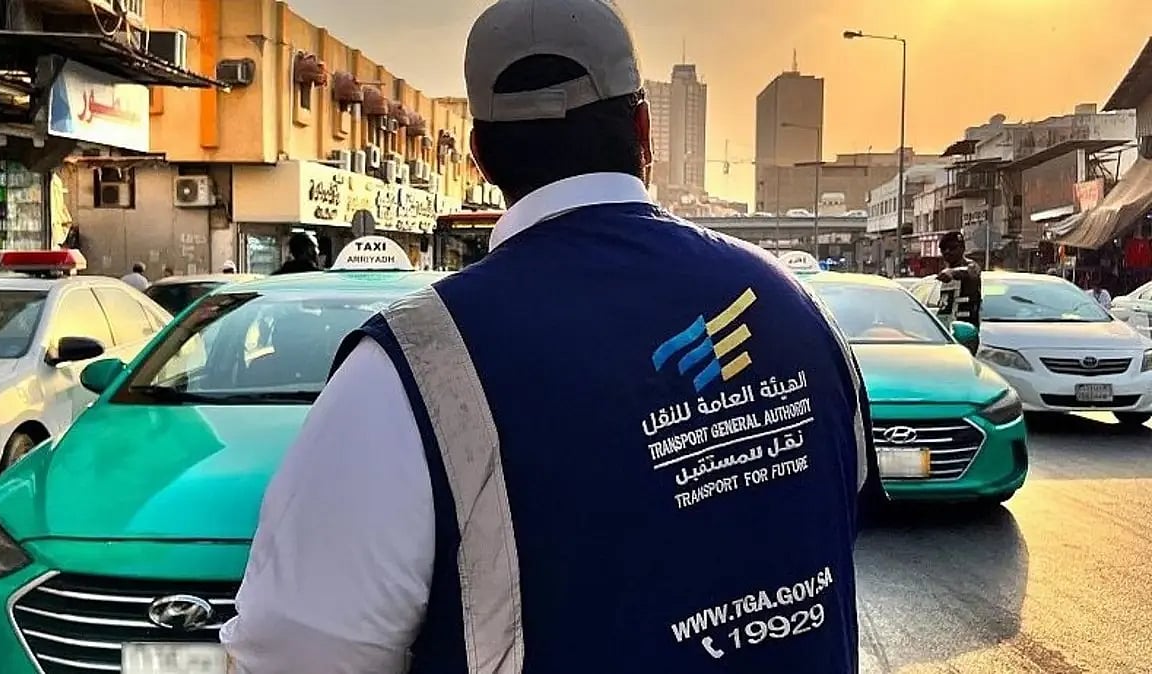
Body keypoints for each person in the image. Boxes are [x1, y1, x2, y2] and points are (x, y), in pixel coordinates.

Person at [221, 1, 879, 672]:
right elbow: (836, 515)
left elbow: (292, 653)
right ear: (644, 129)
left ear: (480, 156)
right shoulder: (800, 311)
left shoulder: (417, 366)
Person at [935, 231, 982, 352]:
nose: (947, 252)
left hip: (966, 332)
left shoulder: (970, 266)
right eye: (943, 249)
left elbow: (973, 271)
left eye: (952, 248)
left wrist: (953, 273)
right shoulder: (944, 272)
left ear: (962, 249)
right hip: (946, 331)